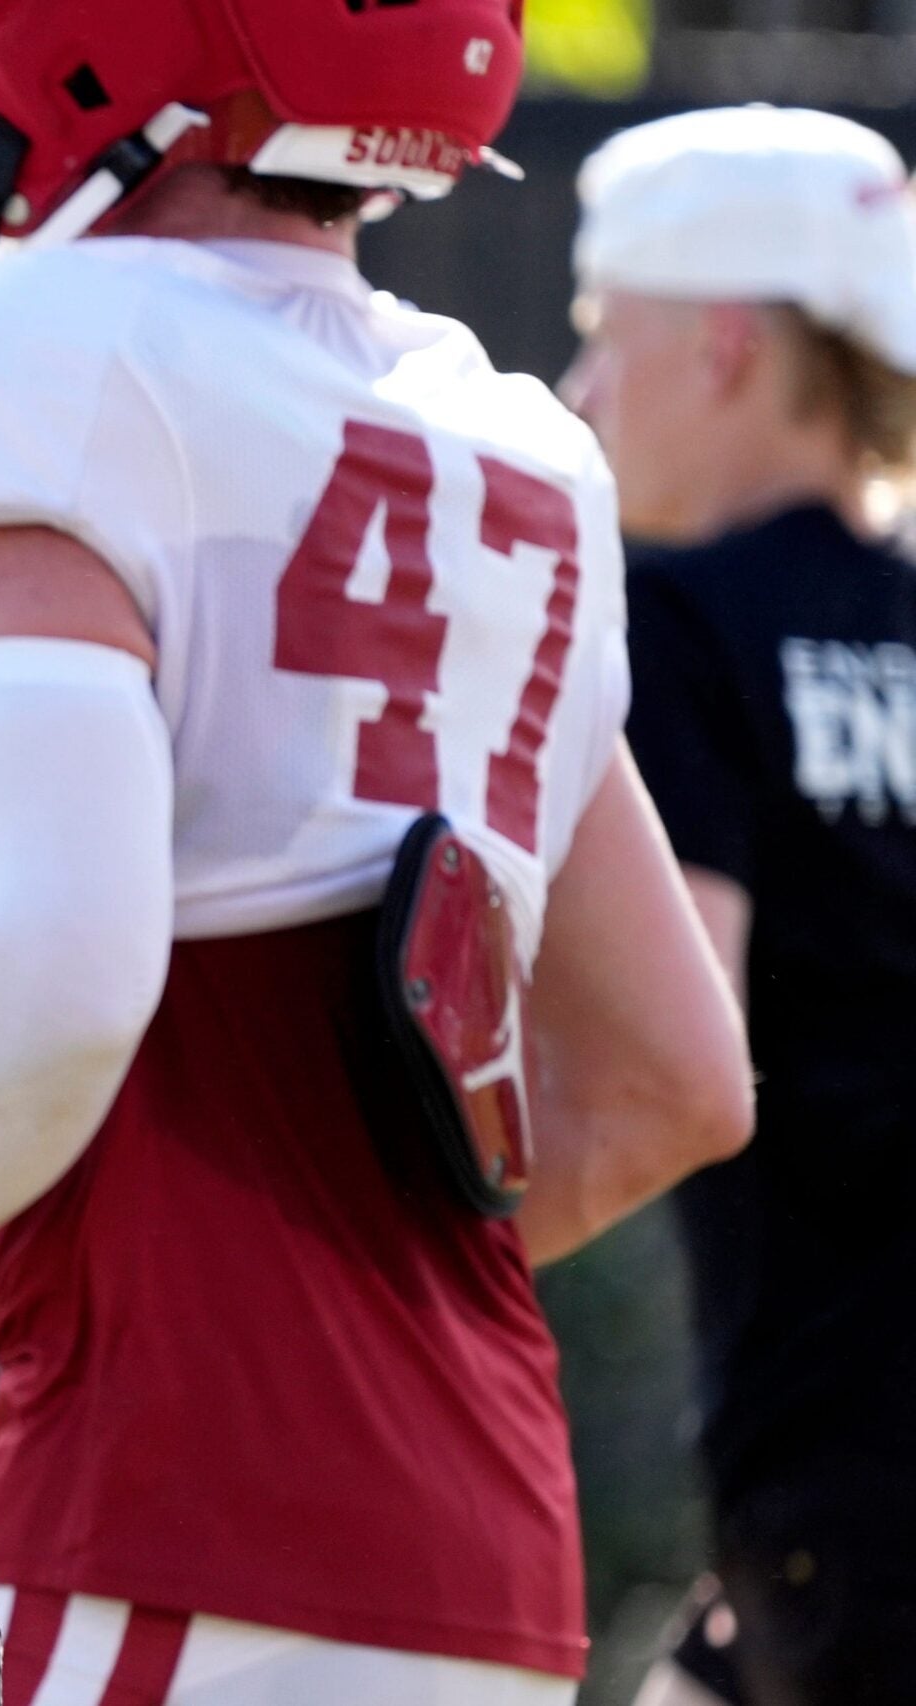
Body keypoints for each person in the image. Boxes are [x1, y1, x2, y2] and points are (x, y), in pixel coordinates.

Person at [0, 2, 755, 1701]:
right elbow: (673, 1079)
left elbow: (53, 986)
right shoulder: (512, 437)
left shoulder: (32, 358)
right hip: (477, 1547)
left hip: (153, 1508)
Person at [561, 107, 916, 1706]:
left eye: (603, 333)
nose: (581, 391)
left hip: (841, 1469)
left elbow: (672, 1043)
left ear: (722, 348)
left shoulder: (680, 625)